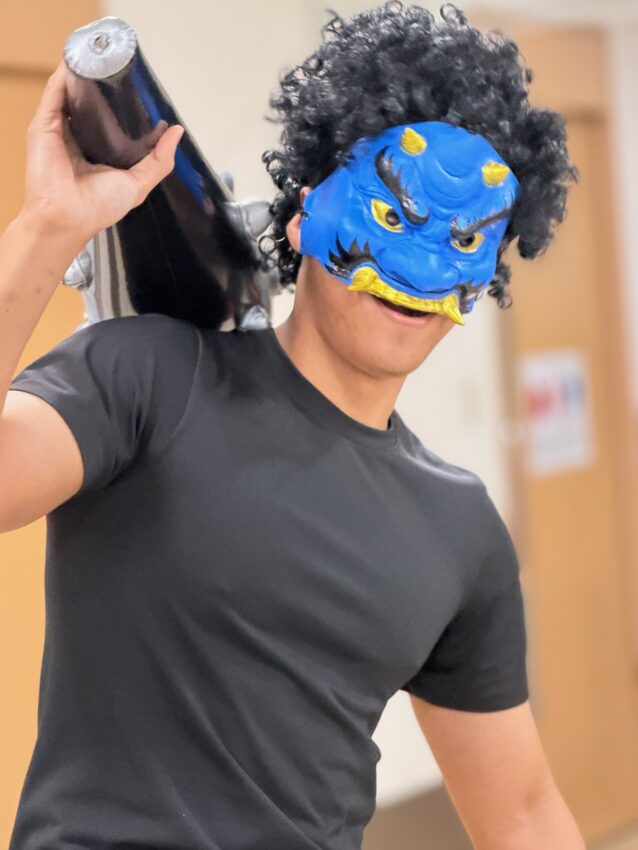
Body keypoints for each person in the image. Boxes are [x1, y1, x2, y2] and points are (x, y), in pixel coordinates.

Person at [1, 3, 585, 849]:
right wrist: (45, 229)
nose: (419, 267)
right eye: (393, 216)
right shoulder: (148, 376)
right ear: (305, 215)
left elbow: (523, 812)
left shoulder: (461, 529)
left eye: (462, 239)